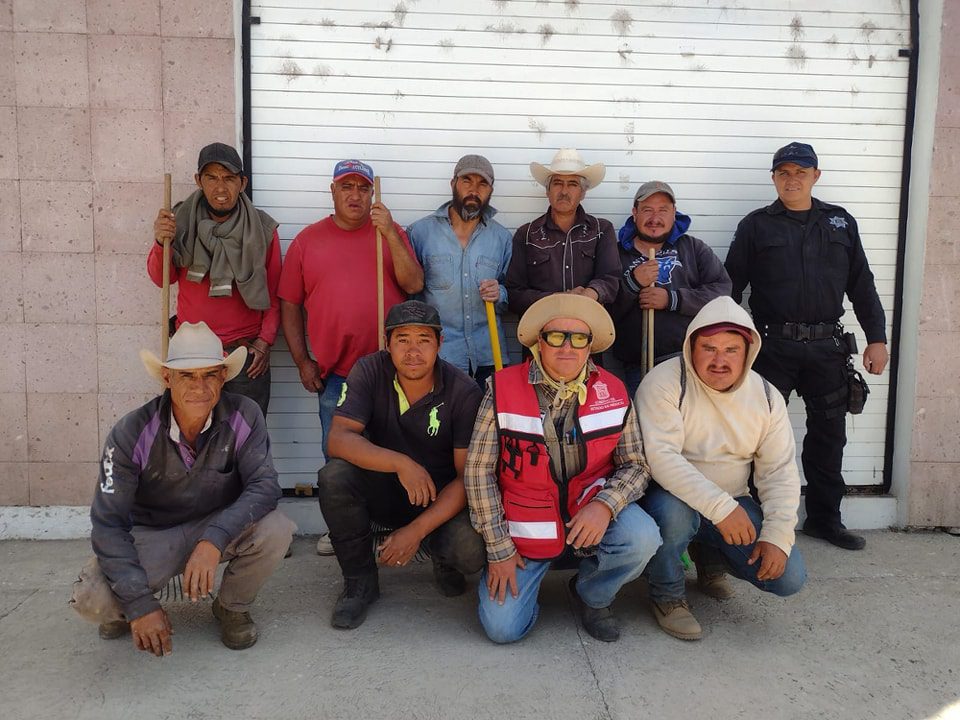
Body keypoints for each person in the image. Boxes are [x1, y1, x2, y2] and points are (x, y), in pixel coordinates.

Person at [70, 322, 295, 654]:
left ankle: (231, 607)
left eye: (210, 375)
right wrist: (139, 603)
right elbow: (108, 523)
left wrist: (213, 539)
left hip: (216, 525)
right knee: (92, 599)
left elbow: (264, 486)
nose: (200, 387)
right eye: (187, 375)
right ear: (167, 379)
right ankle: (128, 608)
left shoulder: (244, 414)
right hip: (152, 534)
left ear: (223, 377)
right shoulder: (131, 432)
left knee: (277, 528)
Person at [465, 294, 661, 644]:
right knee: (502, 629)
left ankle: (592, 594)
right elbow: (478, 472)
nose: (567, 347)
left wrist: (605, 505)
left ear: (590, 347)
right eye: (556, 336)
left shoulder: (614, 391)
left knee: (642, 538)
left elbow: (635, 465)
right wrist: (499, 550)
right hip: (524, 528)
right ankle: (528, 581)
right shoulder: (501, 389)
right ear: (539, 343)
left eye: (579, 338)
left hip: (590, 513)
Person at [725, 142, 889, 551]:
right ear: (774, 178)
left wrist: (878, 339)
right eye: (784, 172)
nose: (792, 178)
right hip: (771, 349)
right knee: (758, 438)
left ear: (816, 176)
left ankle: (824, 519)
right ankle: (758, 523)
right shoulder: (756, 226)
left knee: (829, 435)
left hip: (826, 349)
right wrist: (727, 346)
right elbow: (730, 286)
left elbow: (862, 285)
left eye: (801, 171)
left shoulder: (840, 223)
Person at [635, 296, 807, 640]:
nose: (719, 361)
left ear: (748, 352)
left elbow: (780, 472)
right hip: (669, 498)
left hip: (732, 500)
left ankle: (708, 553)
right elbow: (661, 457)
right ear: (690, 347)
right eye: (708, 348)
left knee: (788, 578)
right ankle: (667, 595)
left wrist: (777, 535)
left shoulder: (767, 396)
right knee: (675, 516)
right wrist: (721, 509)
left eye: (731, 350)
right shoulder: (664, 382)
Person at [279, 159, 424, 555]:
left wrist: (390, 234)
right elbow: (289, 304)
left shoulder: (392, 234)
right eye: (347, 187)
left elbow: (414, 284)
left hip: (393, 372)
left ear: (372, 194)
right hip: (337, 374)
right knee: (338, 456)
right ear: (333, 192)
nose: (355, 195)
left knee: (399, 451)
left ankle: (399, 525)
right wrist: (301, 361)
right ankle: (343, 529)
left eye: (363, 188)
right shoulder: (309, 241)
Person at [316, 301, 486, 629]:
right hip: (384, 488)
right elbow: (338, 439)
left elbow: (468, 479)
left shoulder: (463, 390)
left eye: (423, 339)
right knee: (334, 477)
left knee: (470, 550)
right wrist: (400, 463)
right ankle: (359, 581)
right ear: (387, 344)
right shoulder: (369, 370)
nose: (413, 351)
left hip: (438, 497)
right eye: (402, 339)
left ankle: (441, 558)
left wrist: (416, 531)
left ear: (439, 343)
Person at [150, 142, 281, 417]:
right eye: (211, 177)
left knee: (245, 446)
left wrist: (264, 342)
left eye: (229, 178)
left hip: (243, 358)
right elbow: (162, 278)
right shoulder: (179, 222)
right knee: (190, 442)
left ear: (242, 182)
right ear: (199, 180)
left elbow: (274, 292)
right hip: (190, 357)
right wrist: (162, 242)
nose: (220, 188)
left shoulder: (262, 230)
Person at [609, 181, 731, 397]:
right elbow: (604, 312)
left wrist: (672, 299)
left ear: (674, 213)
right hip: (634, 368)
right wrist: (632, 284)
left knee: (689, 428)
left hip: (688, 364)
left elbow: (722, 293)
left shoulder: (692, 248)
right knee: (643, 429)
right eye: (647, 210)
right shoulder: (615, 255)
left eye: (663, 210)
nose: (655, 218)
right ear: (634, 213)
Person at [407, 154, 513, 388]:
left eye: (482, 183)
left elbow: (512, 295)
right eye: (467, 180)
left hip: (490, 357)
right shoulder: (420, 233)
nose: (474, 190)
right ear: (453, 183)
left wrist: (501, 294)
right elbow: (409, 295)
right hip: (439, 358)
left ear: (491, 190)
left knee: (490, 424)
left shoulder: (502, 238)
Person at [504, 149, 621, 316]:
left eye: (573, 184)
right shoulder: (527, 234)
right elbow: (513, 294)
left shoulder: (601, 230)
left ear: (583, 193)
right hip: (542, 332)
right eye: (558, 183)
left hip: (589, 331)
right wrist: (558, 299)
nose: (564, 191)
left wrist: (589, 295)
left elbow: (611, 279)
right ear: (547, 191)